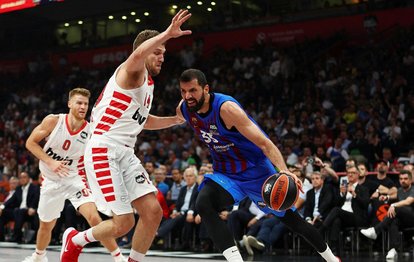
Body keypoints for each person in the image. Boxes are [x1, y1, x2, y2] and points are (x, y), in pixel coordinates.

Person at [148, 69, 340, 262]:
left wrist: (284, 171)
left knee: (294, 222)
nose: (188, 96)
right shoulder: (184, 108)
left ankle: (332, 259)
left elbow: (266, 143)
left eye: (193, 90)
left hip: (257, 172)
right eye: (183, 91)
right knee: (203, 203)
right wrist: (140, 122)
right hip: (227, 174)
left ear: (206, 89)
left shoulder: (227, 109)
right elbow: (173, 120)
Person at [60, 10, 192, 262]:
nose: (162, 57)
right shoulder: (131, 70)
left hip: (125, 152)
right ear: (144, 50)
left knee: (153, 212)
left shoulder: (148, 85)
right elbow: (138, 54)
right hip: (103, 150)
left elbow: (142, 122)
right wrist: (167, 33)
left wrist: (175, 120)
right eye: (158, 51)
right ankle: (75, 240)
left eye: (164, 53)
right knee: (124, 222)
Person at [25, 88, 126, 262]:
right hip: (51, 180)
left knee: (94, 217)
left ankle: (118, 258)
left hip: (75, 179)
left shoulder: (91, 131)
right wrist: (51, 161)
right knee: (46, 225)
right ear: (69, 104)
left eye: (86, 104)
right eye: (79, 102)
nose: (83, 107)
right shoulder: (53, 121)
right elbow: (30, 143)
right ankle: (39, 256)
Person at [360, 170, 414, 260]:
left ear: (411, 180)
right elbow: (394, 195)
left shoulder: (413, 189)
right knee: (393, 220)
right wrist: (386, 197)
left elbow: (408, 201)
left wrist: (393, 205)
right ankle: (393, 249)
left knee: (395, 209)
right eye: (401, 179)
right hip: (403, 220)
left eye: (405, 179)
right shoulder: (400, 190)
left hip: (412, 218)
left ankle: (376, 230)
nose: (403, 181)